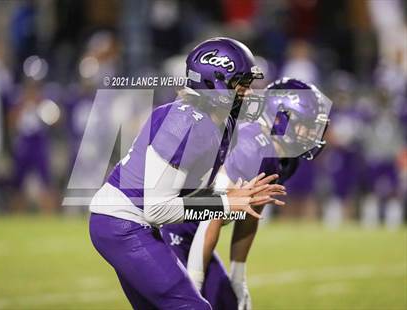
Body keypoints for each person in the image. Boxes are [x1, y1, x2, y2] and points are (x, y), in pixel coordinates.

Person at [89, 37, 282, 309]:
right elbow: (157, 209)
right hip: (123, 223)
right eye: (242, 86)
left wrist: (229, 196)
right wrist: (226, 202)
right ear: (214, 83)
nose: (249, 94)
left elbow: (186, 194)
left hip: (133, 222)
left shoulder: (219, 125)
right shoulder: (182, 121)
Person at [161, 78, 331, 310]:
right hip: (171, 230)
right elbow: (213, 214)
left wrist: (238, 277)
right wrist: (195, 282)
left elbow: (250, 215)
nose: (312, 134)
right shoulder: (251, 145)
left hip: (196, 234)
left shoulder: (286, 159)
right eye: (306, 124)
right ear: (280, 118)